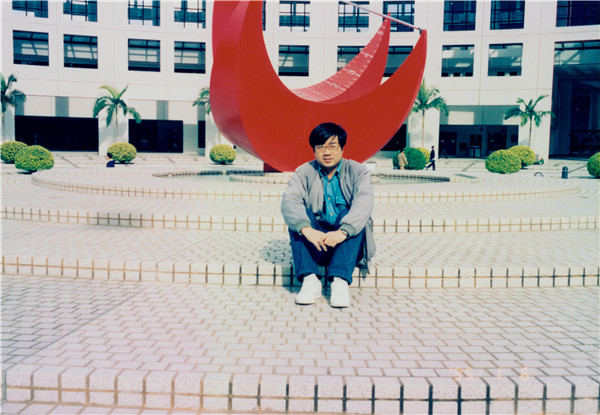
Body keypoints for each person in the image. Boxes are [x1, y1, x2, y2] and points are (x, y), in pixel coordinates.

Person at [281, 122, 375, 308]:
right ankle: (310, 280)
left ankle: (340, 281)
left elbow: (364, 203)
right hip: (316, 244)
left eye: (332, 146)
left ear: (342, 148)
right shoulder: (303, 172)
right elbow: (289, 202)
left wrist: (342, 232)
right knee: (299, 218)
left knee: (352, 217)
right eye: (320, 147)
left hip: (347, 246)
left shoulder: (358, 171)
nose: (327, 152)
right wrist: (307, 230)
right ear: (314, 150)